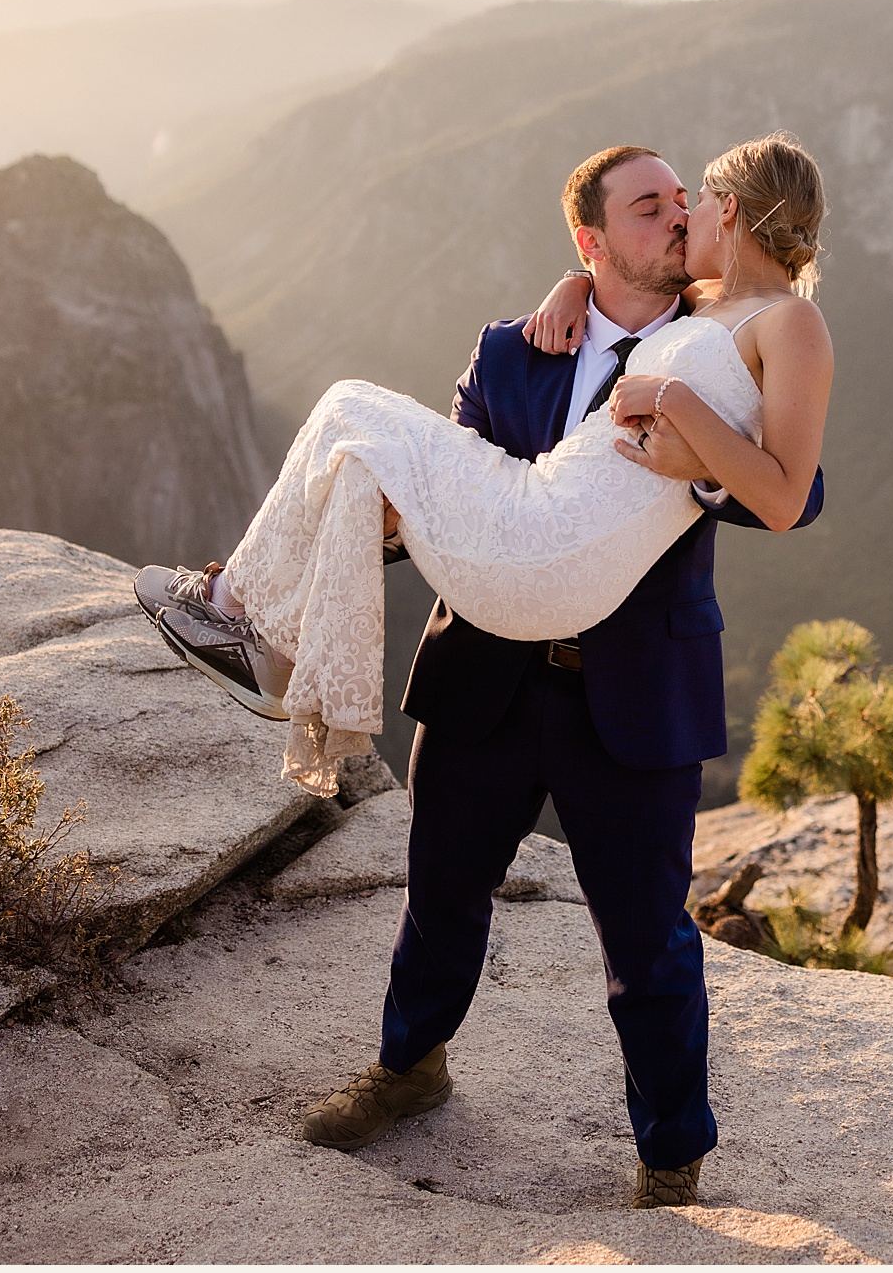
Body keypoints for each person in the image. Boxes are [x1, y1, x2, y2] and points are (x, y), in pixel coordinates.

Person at [135, 135, 832, 1209]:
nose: (678, 215)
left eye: (687, 202)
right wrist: (573, 303)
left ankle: (671, 1156)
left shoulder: (720, 323)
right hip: (488, 667)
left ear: (727, 220)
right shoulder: (517, 347)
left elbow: (795, 487)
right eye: (648, 207)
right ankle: (407, 1067)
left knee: (647, 939)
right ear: (590, 241)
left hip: (635, 685)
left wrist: (682, 424)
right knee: (441, 892)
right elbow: (443, 495)